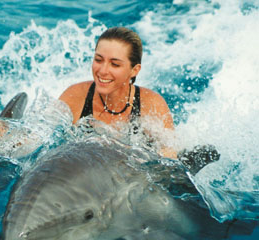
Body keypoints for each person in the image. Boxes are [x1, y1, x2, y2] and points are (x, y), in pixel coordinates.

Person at [59, 27, 177, 158]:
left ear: (134, 70)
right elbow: (40, 139)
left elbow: (169, 156)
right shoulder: (75, 96)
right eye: (98, 60)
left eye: (114, 64)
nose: (103, 70)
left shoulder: (150, 105)